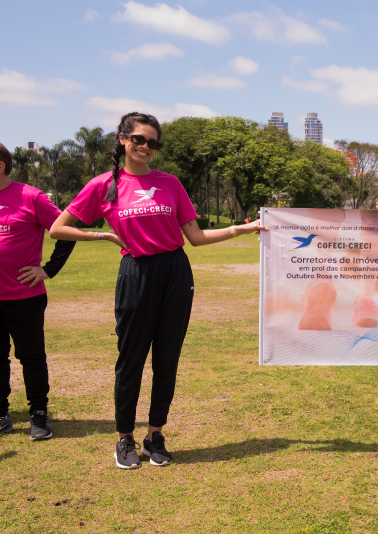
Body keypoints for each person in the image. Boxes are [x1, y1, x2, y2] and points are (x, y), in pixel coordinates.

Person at [50, 112, 266, 469]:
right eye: (139, 139)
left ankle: (155, 435)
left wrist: (243, 229)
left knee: (167, 358)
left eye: (153, 142)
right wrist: (103, 235)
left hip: (175, 272)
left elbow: (195, 237)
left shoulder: (170, 183)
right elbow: (58, 228)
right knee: (131, 359)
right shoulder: (103, 185)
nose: (145, 147)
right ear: (123, 139)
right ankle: (124, 438)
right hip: (136, 272)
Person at [0, 143, 75, 440]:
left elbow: (66, 231)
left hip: (24, 297)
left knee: (30, 357)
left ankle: (39, 414)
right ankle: (1, 413)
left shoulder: (30, 196)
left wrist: (49, 269)